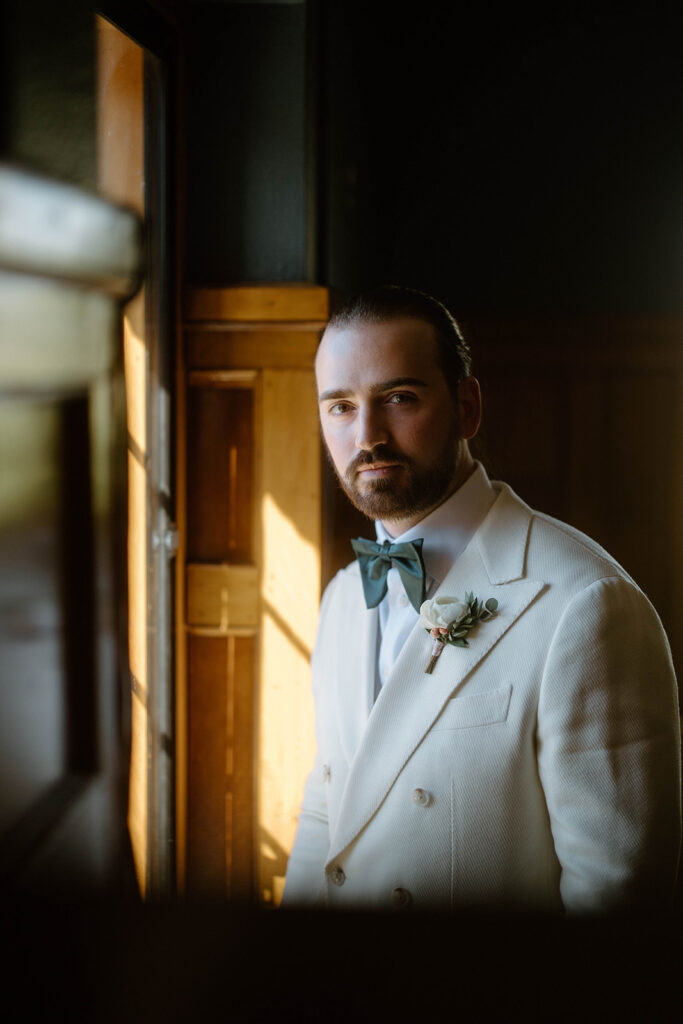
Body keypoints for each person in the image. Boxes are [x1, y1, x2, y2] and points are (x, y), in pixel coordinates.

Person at [283, 285, 681, 913]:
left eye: (399, 398)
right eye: (340, 406)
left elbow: (616, 903)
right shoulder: (339, 599)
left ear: (467, 407)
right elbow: (325, 814)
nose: (368, 436)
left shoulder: (589, 606)